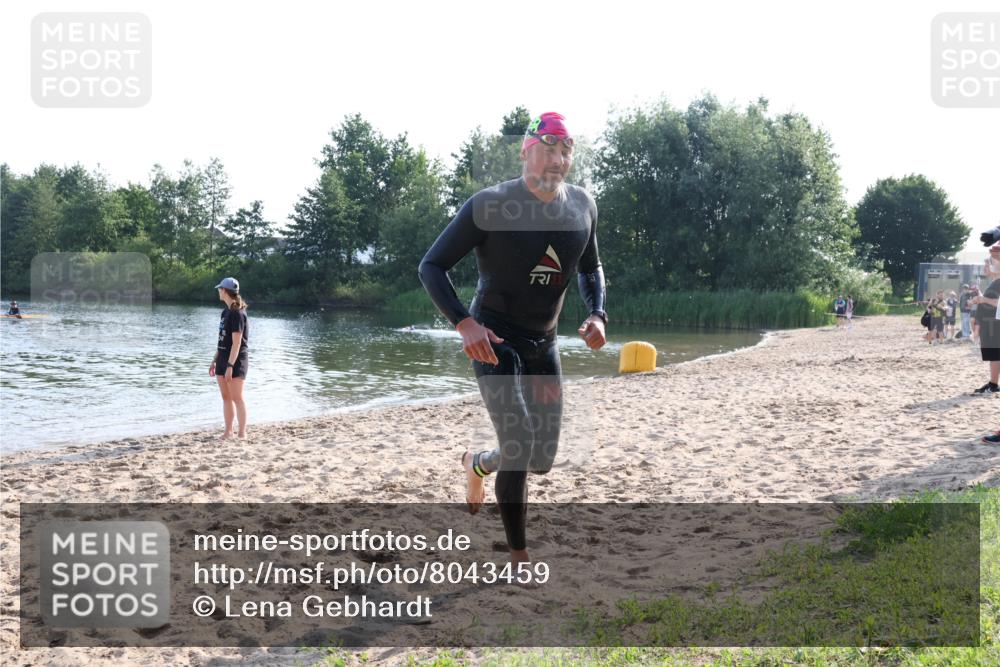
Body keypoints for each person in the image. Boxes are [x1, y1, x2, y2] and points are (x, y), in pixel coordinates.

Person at [418, 111, 606, 567]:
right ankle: (518, 556)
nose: (557, 160)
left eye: (565, 151)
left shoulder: (583, 206)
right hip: (494, 341)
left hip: (544, 345)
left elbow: (590, 267)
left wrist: (598, 312)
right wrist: (465, 324)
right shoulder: (490, 205)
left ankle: (478, 463)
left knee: (541, 459)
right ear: (526, 149)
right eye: (548, 148)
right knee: (520, 441)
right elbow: (432, 266)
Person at [210, 277, 250, 439]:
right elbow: (222, 340)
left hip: (235, 361)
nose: (218, 291)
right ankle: (228, 431)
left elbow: (237, 343)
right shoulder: (225, 312)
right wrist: (214, 360)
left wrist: (230, 365)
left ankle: (242, 433)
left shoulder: (238, 314)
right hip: (222, 359)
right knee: (226, 397)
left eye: (220, 289)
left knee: (237, 397)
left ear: (225, 291)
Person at [970, 248, 1000, 394]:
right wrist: (980, 299)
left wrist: (983, 299)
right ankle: (993, 383)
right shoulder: (994, 282)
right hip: (991, 323)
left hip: (996, 323)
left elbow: (997, 302)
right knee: (993, 355)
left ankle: (993, 384)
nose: (985, 268)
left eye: (988, 264)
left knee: (995, 354)